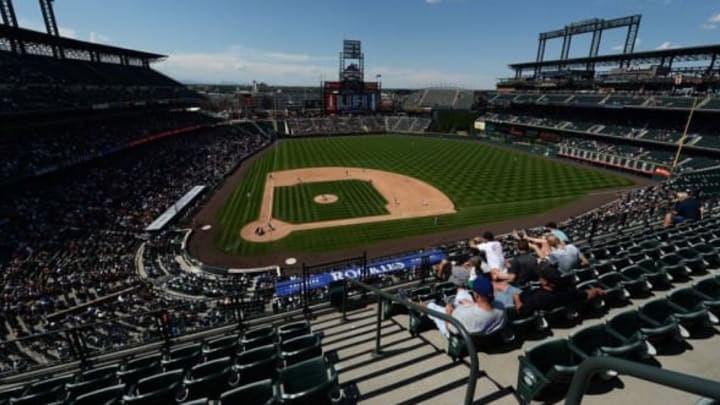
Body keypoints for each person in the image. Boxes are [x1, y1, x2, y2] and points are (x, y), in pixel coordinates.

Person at [425, 276, 505, 338]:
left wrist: (448, 313)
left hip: (454, 324)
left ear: (477, 295)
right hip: (479, 324)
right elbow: (484, 306)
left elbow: (449, 328)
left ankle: (417, 305)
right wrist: (471, 304)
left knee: (431, 306)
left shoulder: (466, 316)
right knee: (461, 292)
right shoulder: (500, 306)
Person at [512, 263, 603, 317]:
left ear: (544, 281)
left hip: (523, 303)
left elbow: (521, 311)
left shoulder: (537, 297)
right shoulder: (568, 291)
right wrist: (596, 290)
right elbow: (585, 294)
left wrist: (516, 298)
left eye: (541, 277)